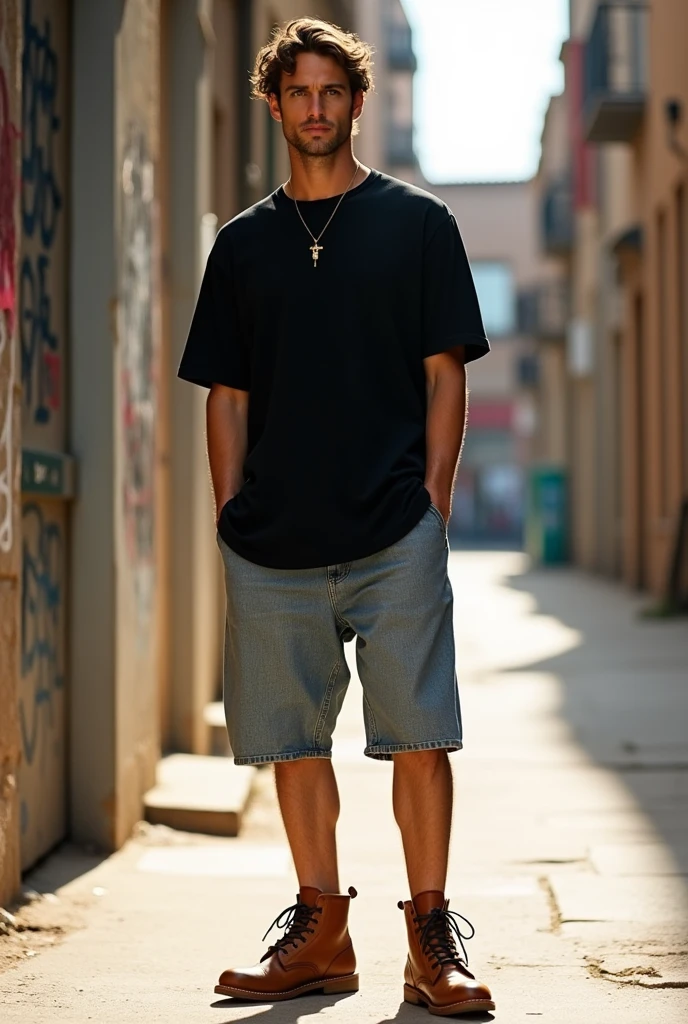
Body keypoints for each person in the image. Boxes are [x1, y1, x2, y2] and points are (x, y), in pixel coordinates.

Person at [178, 17, 495, 1017]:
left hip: (392, 527)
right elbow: (222, 395)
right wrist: (230, 517)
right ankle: (320, 932)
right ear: (274, 104)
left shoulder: (418, 226)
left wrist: (433, 506)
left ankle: (430, 938)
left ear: (357, 102)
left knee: (418, 735)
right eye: (297, 93)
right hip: (270, 540)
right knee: (290, 741)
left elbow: (445, 376)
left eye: (332, 92)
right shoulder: (241, 246)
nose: (315, 108)